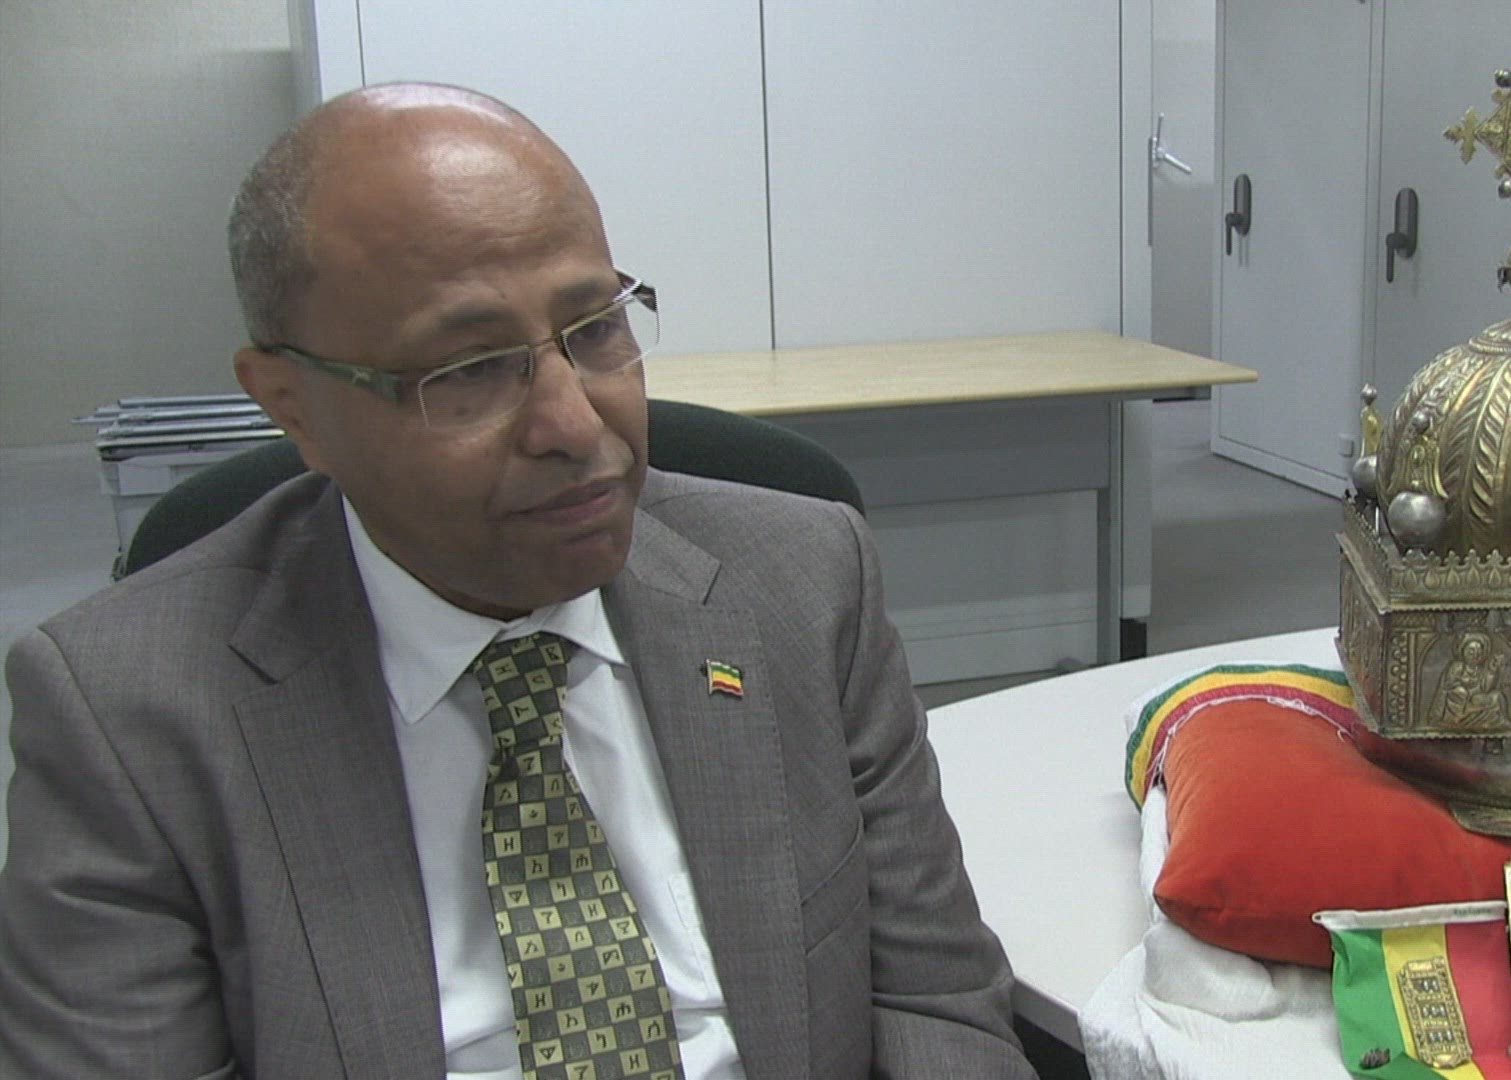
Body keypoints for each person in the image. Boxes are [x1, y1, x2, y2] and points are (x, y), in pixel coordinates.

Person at [0, 84, 1037, 1079]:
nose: (575, 425)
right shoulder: (127, 715)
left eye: (597, 330)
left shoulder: (802, 582)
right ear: (292, 405)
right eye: (467, 372)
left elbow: (934, 1002)